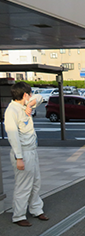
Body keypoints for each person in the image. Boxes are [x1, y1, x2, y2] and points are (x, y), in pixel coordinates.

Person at [4, 82, 49, 227]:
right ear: (24, 95)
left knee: (36, 182)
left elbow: (41, 97)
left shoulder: (24, 105)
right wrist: (19, 158)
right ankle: (19, 215)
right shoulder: (12, 111)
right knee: (23, 185)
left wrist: (30, 104)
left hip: (32, 150)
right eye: (29, 94)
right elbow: (13, 136)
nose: (31, 96)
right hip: (22, 152)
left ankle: (36, 209)